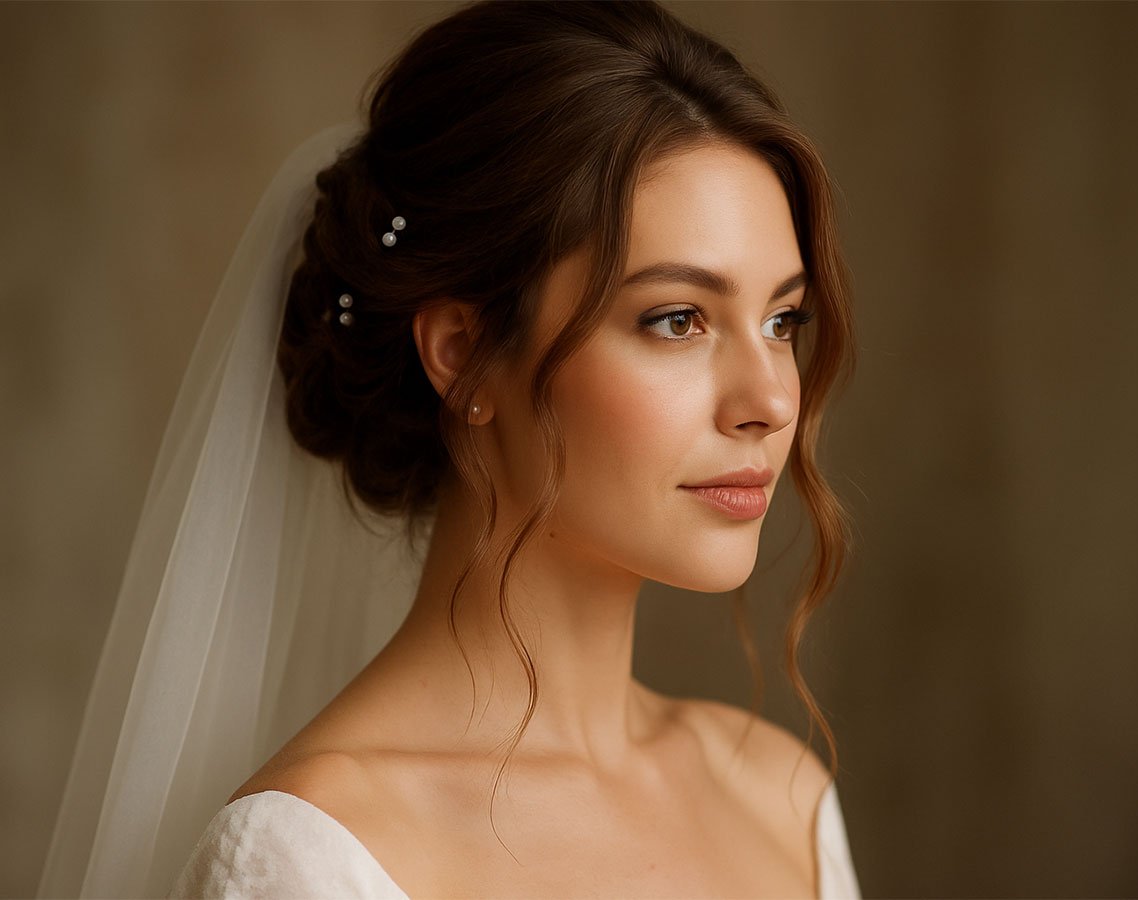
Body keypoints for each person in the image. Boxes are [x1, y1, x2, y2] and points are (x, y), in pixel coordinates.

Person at [39, 1, 860, 897]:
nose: (772, 400)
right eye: (677, 319)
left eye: (783, 320)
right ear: (463, 352)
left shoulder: (781, 796)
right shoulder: (309, 857)